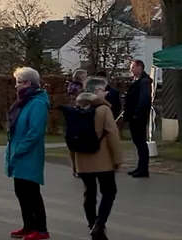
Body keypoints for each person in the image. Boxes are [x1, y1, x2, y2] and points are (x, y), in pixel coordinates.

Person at [68, 77, 123, 240]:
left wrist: (74, 162)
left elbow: (70, 136)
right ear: (97, 91)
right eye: (103, 90)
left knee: (89, 194)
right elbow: (112, 135)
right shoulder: (103, 109)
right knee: (109, 192)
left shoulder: (77, 108)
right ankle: (99, 223)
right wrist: (117, 159)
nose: (105, 93)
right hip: (103, 159)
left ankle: (92, 225)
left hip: (82, 159)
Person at [5, 66, 50, 240]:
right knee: (21, 191)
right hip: (19, 154)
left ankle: (41, 229)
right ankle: (28, 225)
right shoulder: (24, 101)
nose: (16, 86)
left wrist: (21, 148)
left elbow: (35, 132)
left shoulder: (37, 103)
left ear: (28, 83)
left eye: (18, 82)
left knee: (31, 192)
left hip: (29, 155)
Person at [124, 60, 152, 178]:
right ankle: (140, 167)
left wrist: (136, 113)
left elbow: (144, 100)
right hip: (134, 116)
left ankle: (143, 169)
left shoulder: (144, 82)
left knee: (141, 143)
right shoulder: (138, 81)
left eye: (133, 67)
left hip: (138, 117)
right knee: (138, 142)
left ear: (140, 67)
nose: (131, 70)